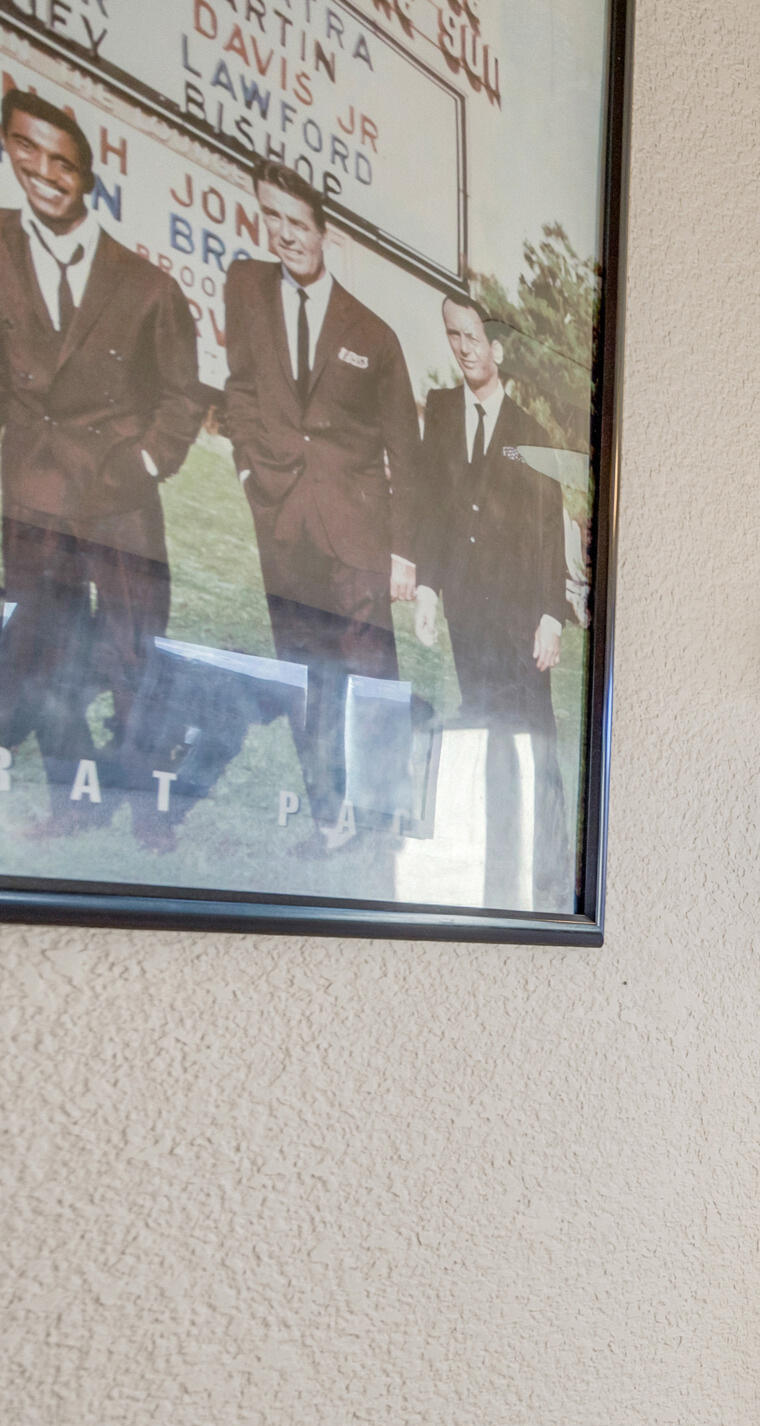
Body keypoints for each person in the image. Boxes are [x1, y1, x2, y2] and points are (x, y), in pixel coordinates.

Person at [0, 87, 207, 840]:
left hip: (121, 500)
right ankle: (74, 798)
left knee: (133, 650)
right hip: (30, 493)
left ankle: (151, 803)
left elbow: (183, 396)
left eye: (62, 161)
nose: (42, 172)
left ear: (87, 174)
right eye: (26, 149)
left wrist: (146, 463)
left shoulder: (148, 286)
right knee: (42, 649)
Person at [219, 160, 419, 855]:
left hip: (358, 536)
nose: (284, 234)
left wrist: (404, 552)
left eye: (297, 222)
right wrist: (249, 467)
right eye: (271, 217)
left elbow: (407, 454)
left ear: (323, 229)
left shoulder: (373, 334)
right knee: (304, 674)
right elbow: (241, 387)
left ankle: (386, 818)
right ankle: (329, 817)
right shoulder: (246, 288)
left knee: (371, 676)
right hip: (284, 523)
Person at [413, 293, 570, 905]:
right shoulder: (440, 411)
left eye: (473, 337)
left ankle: (551, 869)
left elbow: (548, 528)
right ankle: (491, 850)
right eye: (453, 335)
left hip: (520, 618)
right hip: (465, 613)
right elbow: (431, 506)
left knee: (535, 735)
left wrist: (551, 614)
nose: (463, 348)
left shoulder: (532, 434)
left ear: (498, 349)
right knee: (482, 724)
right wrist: (428, 587)